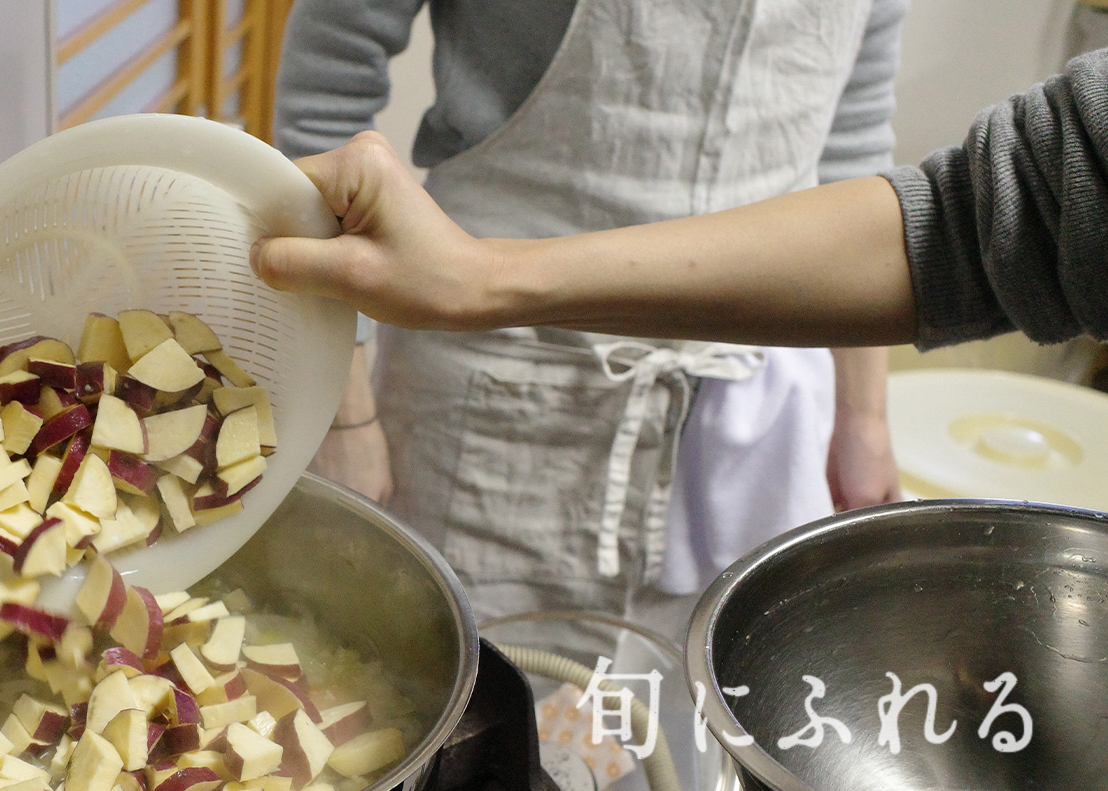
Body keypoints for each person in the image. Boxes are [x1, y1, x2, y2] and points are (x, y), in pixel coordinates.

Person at [272, 0, 907, 645]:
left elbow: (853, 145)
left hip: (757, 394)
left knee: (700, 703)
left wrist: (864, 413)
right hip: (497, 390)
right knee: (473, 698)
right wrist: (342, 411)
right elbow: (326, 94)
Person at [251, 49, 1108, 359]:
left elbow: (871, 148)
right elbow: (987, 218)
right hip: (500, 373)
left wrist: (860, 415)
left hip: (774, 361)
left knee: (677, 724)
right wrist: (347, 398)